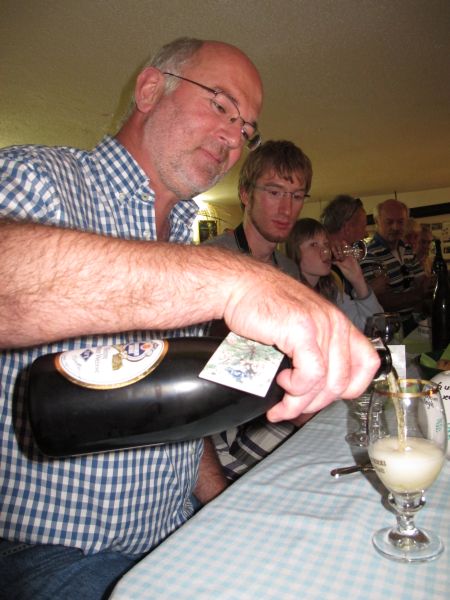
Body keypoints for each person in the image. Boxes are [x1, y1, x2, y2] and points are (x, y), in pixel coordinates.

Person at [0, 37, 379, 598]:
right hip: (49, 551)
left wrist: (218, 497)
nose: (234, 138)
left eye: (246, 128)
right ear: (150, 89)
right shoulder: (41, 179)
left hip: (173, 526)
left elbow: (171, 415)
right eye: (221, 105)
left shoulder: (179, 237)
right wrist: (234, 279)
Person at [205, 140, 313, 480]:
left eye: (297, 196)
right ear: (245, 194)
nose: (287, 209)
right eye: (274, 192)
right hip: (218, 426)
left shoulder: (289, 270)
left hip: (269, 405)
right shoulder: (211, 260)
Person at [286, 218, 383, 332]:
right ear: (295, 252)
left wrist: (358, 280)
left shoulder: (331, 288)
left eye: (326, 243)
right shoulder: (289, 295)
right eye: (314, 244)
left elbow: (374, 326)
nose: (325, 250)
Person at [360, 199, 432, 336]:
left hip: (412, 324)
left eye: (400, 222)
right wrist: (418, 294)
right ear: (377, 221)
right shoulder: (369, 254)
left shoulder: (407, 249)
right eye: (389, 222)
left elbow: (424, 283)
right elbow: (383, 302)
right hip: (388, 332)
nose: (395, 227)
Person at [321, 193, 388, 298]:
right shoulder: (325, 264)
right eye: (363, 227)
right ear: (348, 228)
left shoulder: (341, 258)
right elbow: (338, 306)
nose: (366, 234)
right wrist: (370, 289)